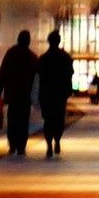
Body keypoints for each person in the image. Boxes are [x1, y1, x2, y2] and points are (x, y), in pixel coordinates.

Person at [0, 31, 35, 147]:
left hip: (12, 95)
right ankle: (21, 145)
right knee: (23, 121)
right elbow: (36, 79)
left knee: (12, 119)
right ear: (28, 41)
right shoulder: (32, 57)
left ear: (18, 40)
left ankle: (12, 144)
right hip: (25, 96)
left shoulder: (11, 53)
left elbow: (2, 73)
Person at [33, 29, 74, 159]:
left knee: (48, 120)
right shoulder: (65, 58)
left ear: (49, 41)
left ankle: (49, 145)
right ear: (59, 41)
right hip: (60, 94)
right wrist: (68, 90)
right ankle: (57, 139)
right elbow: (70, 74)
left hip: (46, 94)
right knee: (59, 119)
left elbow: (38, 76)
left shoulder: (43, 59)